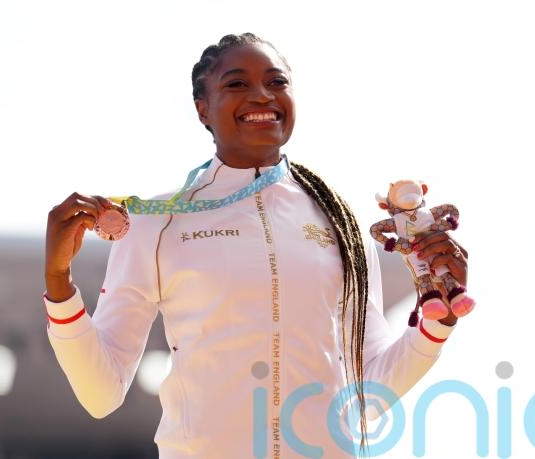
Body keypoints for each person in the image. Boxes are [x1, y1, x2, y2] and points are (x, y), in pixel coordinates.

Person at [43, 33, 469, 459]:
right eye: (237, 84)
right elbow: (102, 393)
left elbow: (368, 394)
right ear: (203, 108)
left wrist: (436, 325)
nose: (262, 95)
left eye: (276, 82)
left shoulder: (341, 222)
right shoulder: (157, 223)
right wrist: (59, 282)